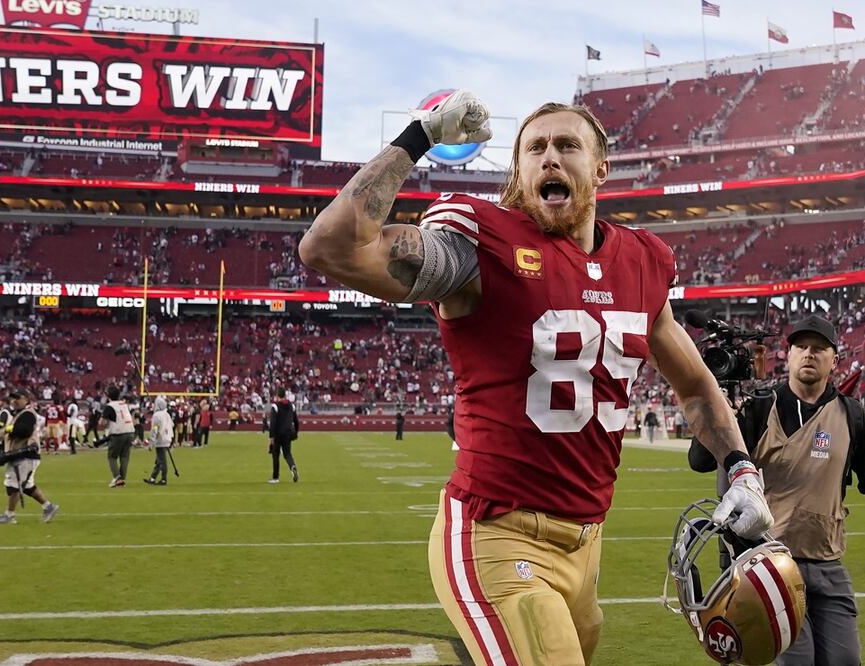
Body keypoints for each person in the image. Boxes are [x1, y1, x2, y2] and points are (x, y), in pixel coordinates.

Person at [298, 91, 774, 665]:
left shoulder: (642, 261)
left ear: (600, 167)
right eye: (535, 148)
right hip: (498, 535)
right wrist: (419, 137)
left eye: (567, 145)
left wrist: (743, 472)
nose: (550, 157)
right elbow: (329, 248)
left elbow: (696, 389)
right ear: (518, 172)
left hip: (587, 546)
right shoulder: (480, 245)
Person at [689, 315, 864, 666]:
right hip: (772, 567)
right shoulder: (759, 407)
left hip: (828, 562)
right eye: (801, 347)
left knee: (845, 659)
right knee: (797, 661)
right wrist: (718, 412)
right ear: (789, 355)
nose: (808, 354)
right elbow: (700, 461)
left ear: (835, 358)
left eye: (818, 348)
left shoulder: (851, 416)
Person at [0, 389, 59, 525]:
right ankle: (48, 507)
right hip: (23, 454)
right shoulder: (21, 414)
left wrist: (8, 429)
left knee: (13, 484)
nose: (14, 401)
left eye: (18, 398)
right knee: (27, 486)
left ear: (26, 399)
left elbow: (24, 431)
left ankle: (9, 515)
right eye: (13, 398)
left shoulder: (27, 414)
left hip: (25, 454)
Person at [99, 385, 135, 488]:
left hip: (118, 433)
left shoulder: (110, 406)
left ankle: (117, 478)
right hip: (130, 431)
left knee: (112, 456)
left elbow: (103, 422)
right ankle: (122, 479)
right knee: (124, 457)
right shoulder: (124, 404)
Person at [268, 388, 299, 483]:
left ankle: (275, 477)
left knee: (275, 455)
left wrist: (271, 438)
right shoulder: (291, 406)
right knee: (287, 454)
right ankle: (292, 467)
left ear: (277, 395)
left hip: (278, 434)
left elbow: (272, 424)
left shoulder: (275, 407)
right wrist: (296, 432)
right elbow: (296, 421)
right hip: (288, 433)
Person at [144, 396, 174, 486]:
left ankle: (163, 479)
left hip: (161, 440)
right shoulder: (167, 414)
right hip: (167, 438)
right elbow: (172, 425)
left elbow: (154, 430)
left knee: (162, 461)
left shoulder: (156, 415)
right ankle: (152, 478)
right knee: (159, 460)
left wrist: (151, 443)